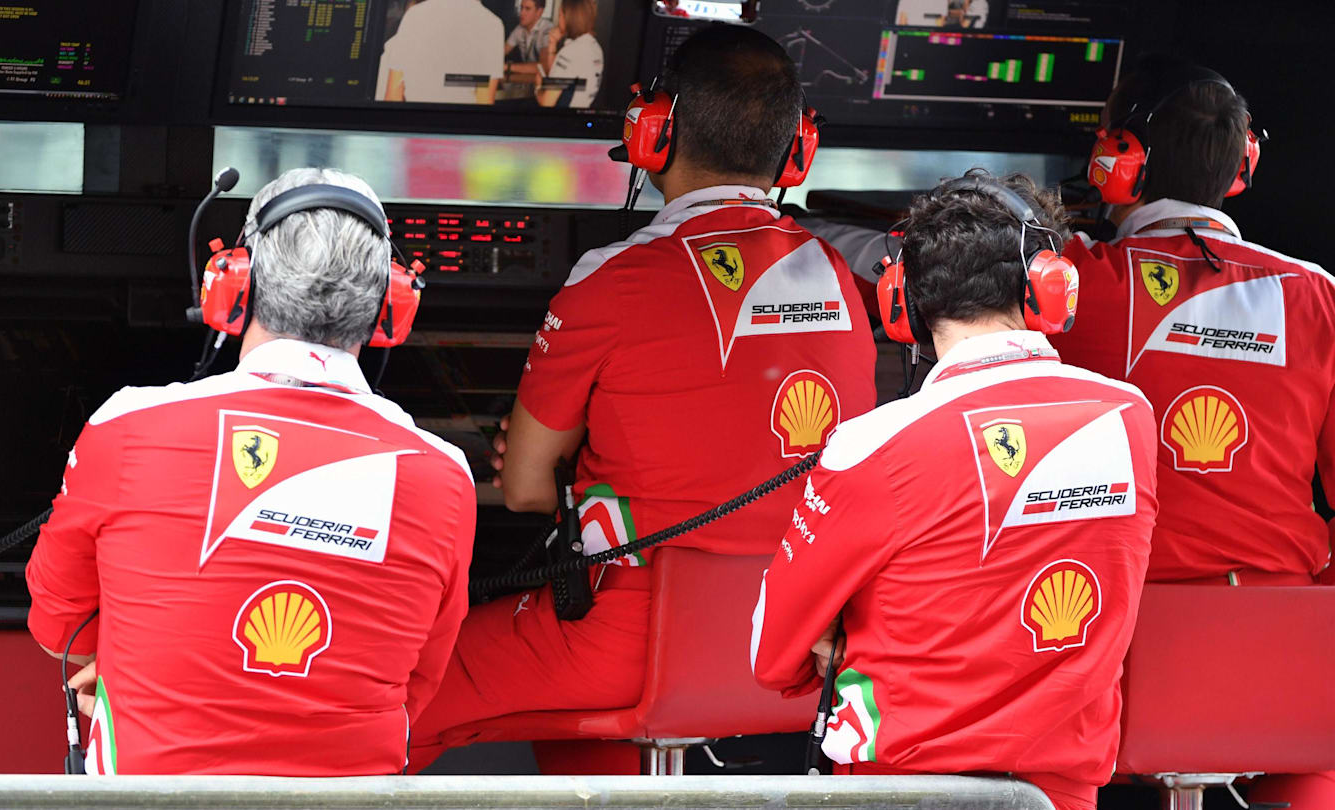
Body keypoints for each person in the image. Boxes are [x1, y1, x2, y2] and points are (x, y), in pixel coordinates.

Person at [410, 24, 877, 771]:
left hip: (627, 642)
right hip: (801, 653)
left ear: (654, 131)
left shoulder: (610, 276)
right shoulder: (842, 280)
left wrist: (572, 457)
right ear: (797, 150)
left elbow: (528, 492)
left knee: (399, 693)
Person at [24, 168, 476, 775]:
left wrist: (148, 660)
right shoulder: (448, 477)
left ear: (232, 286)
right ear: (392, 305)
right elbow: (417, 679)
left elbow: (60, 626)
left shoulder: (128, 424)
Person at [751, 172, 1158, 810]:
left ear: (902, 305)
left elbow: (770, 653)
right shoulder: (1131, 414)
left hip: (897, 790)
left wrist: (843, 630)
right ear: (1051, 288)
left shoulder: (869, 445)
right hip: (1066, 792)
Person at [1050, 56, 1335, 806]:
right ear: (1243, 166)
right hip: (1277, 658)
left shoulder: (1073, 285)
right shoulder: (1318, 297)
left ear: (1118, 163)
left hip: (1106, 651)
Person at [382, 0, 504, 104]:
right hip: (459, 125)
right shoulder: (491, 25)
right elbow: (483, 100)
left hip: (415, 123)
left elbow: (393, 96)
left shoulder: (414, 15)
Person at [537, 0, 602, 108]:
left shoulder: (571, 52)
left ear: (568, 17)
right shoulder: (595, 47)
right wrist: (552, 44)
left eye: (560, 15)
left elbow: (547, 102)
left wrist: (538, 86)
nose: (559, 20)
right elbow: (557, 77)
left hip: (563, 118)